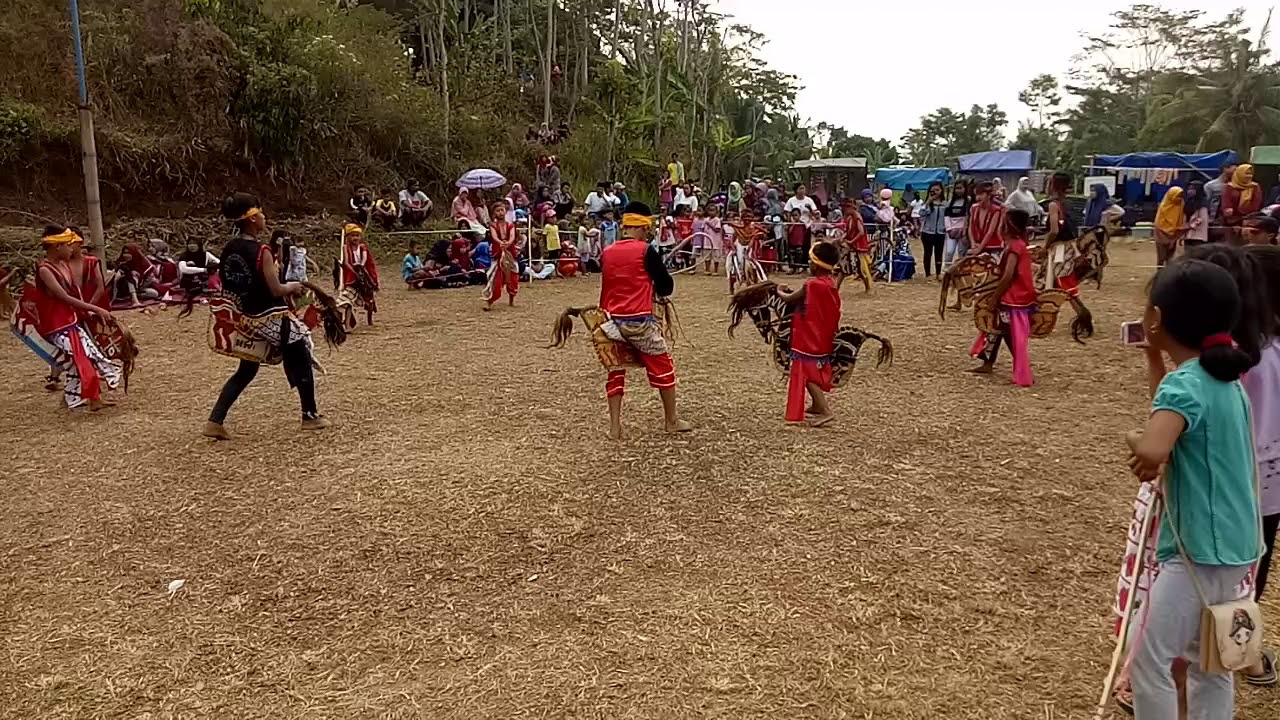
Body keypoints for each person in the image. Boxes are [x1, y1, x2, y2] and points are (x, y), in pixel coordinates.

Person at [1124, 257, 1261, 720]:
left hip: (1195, 552)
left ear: (1156, 320)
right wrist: (1153, 359)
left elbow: (1153, 452)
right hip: (1239, 548)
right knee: (1214, 660)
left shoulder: (1186, 386)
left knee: (1148, 660)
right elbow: (1175, 417)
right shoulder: (1223, 380)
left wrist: (1136, 444)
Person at [597, 202, 691, 439]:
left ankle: (615, 427)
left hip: (609, 321)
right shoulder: (645, 250)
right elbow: (666, 287)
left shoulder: (607, 252)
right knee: (663, 368)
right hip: (638, 322)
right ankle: (671, 420)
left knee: (616, 370)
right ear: (642, 226)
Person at [27, 226, 123, 411]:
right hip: (57, 324)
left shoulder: (64, 265)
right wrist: (95, 308)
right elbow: (64, 297)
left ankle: (76, 399)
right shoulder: (45, 270)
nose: (72, 249)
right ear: (57, 247)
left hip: (70, 320)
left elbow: (76, 293)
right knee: (84, 357)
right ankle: (92, 399)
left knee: (79, 361)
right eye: (68, 245)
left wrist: (87, 312)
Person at [1241, 243, 1280, 686]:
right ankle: (1247, 657)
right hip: (1269, 486)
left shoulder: (1236, 357)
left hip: (1235, 481)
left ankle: (1243, 655)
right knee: (1254, 570)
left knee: (1227, 574)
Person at [775, 241, 844, 427]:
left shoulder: (811, 284)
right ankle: (815, 405)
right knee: (812, 369)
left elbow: (789, 299)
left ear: (816, 264)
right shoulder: (829, 282)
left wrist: (779, 290)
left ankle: (824, 409)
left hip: (807, 337)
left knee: (805, 371)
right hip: (823, 336)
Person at [967, 209, 1038, 386]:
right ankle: (989, 361)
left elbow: (1008, 275)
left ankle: (1019, 367)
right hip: (1015, 294)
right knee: (999, 328)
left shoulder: (1014, 246)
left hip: (1013, 296)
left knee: (1004, 330)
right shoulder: (1016, 244)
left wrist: (995, 297)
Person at [338, 224, 379, 329]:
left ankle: (369, 319)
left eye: (357, 235)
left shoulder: (363, 247)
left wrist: (360, 267)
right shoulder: (345, 247)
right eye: (352, 235)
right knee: (347, 301)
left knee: (369, 300)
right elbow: (346, 262)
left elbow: (364, 259)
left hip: (363, 276)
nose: (355, 238)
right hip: (352, 278)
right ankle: (347, 324)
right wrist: (353, 270)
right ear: (348, 237)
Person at [1043, 172, 1080, 289]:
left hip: (1059, 248)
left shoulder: (1053, 205)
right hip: (1071, 245)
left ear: (1053, 186)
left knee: (1061, 281)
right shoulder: (1068, 203)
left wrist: (1045, 247)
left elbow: (1054, 231)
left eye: (1049, 183)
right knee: (1062, 279)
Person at [485, 201, 520, 309]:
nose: (500, 213)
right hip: (499, 254)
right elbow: (494, 236)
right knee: (496, 278)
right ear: (494, 213)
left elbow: (512, 237)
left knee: (513, 277)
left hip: (509, 253)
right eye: (498, 211)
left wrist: (508, 243)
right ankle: (489, 303)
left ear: (505, 211)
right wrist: (501, 243)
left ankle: (511, 300)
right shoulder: (493, 225)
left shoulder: (510, 225)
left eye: (502, 210)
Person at [1223, 164, 1264, 242]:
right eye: (1246, 173)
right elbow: (1226, 206)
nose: (1249, 176)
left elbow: (1256, 205)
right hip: (1231, 221)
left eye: (1250, 174)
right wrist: (1231, 213)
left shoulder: (1255, 187)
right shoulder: (1229, 187)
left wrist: (1245, 216)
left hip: (1250, 220)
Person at [966, 181, 1004, 257]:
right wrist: (973, 245)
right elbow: (970, 228)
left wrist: (979, 249)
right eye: (976, 195)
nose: (978, 198)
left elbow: (990, 232)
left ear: (989, 195)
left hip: (992, 246)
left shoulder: (996, 210)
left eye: (981, 194)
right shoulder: (974, 208)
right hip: (976, 245)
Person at [842, 200, 873, 294]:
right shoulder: (849, 218)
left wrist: (852, 241)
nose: (845, 210)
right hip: (851, 245)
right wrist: (842, 238)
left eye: (847, 208)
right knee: (842, 267)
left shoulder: (857, 217)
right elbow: (848, 232)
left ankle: (868, 287)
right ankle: (836, 287)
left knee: (862, 268)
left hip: (858, 246)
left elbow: (861, 232)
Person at [919, 182, 947, 278]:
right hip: (927, 231)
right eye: (933, 190)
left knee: (939, 253)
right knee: (928, 252)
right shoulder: (926, 203)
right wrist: (928, 201)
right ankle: (927, 273)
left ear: (941, 191)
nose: (935, 192)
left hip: (940, 232)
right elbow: (921, 213)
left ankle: (938, 273)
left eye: (937, 190)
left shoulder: (945, 204)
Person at [1205, 161, 1238, 244]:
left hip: (1229, 219)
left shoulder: (1236, 186)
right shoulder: (1211, 185)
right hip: (1213, 218)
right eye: (1234, 169)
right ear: (1225, 169)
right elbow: (1207, 202)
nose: (1236, 172)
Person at [942, 180, 971, 269]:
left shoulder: (968, 201)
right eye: (956, 188)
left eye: (960, 188)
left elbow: (968, 216)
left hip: (963, 231)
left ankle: (962, 270)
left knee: (962, 252)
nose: (958, 190)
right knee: (949, 252)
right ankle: (947, 269)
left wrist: (964, 230)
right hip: (951, 231)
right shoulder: (950, 202)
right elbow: (946, 216)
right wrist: (949, 229)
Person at [1154, 187, 1186, 268]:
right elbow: (1158, 224)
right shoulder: (1163, 207)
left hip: (1175, 234)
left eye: (1181, 196)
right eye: (1177, 196)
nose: (1179, 198)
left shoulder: (1181, 205)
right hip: (1161, 234)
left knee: (1171, 257)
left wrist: (1175, 235)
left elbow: (1180, 221)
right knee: (1161, 257)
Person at [1184, 181, 1209, 248]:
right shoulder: (1188, 202)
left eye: (1192, 189)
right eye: (1189, 189)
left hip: (1198, 235)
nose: (1189, 191)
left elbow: (1202, 218)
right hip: (1188, 234)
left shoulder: (1203, 203)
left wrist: (1191, 225)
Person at [702, 204, 724, 276]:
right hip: (707, 242)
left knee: (716, 257)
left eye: (713, 210)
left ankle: (715, 270)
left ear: (716, 212)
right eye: (710, 210)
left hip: (715, 242)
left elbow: (717, 229)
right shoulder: (706, 219)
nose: (711, 212)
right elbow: (702, 229)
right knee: (707, 257)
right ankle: (707, 270)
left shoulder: (717, 220)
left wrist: (709, 224)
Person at [786, 208, 808, 274]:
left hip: (799, 242)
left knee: (799, 255)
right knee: (791, 255)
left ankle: (798, 268)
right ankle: (792, 268)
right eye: (793, 215)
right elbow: (789, 232)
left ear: (800, 215)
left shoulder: (802, 224)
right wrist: (793, 224)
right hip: (792, 242)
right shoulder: (790, 224)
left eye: (796, 215)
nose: (795, 217)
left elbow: (805, 232)